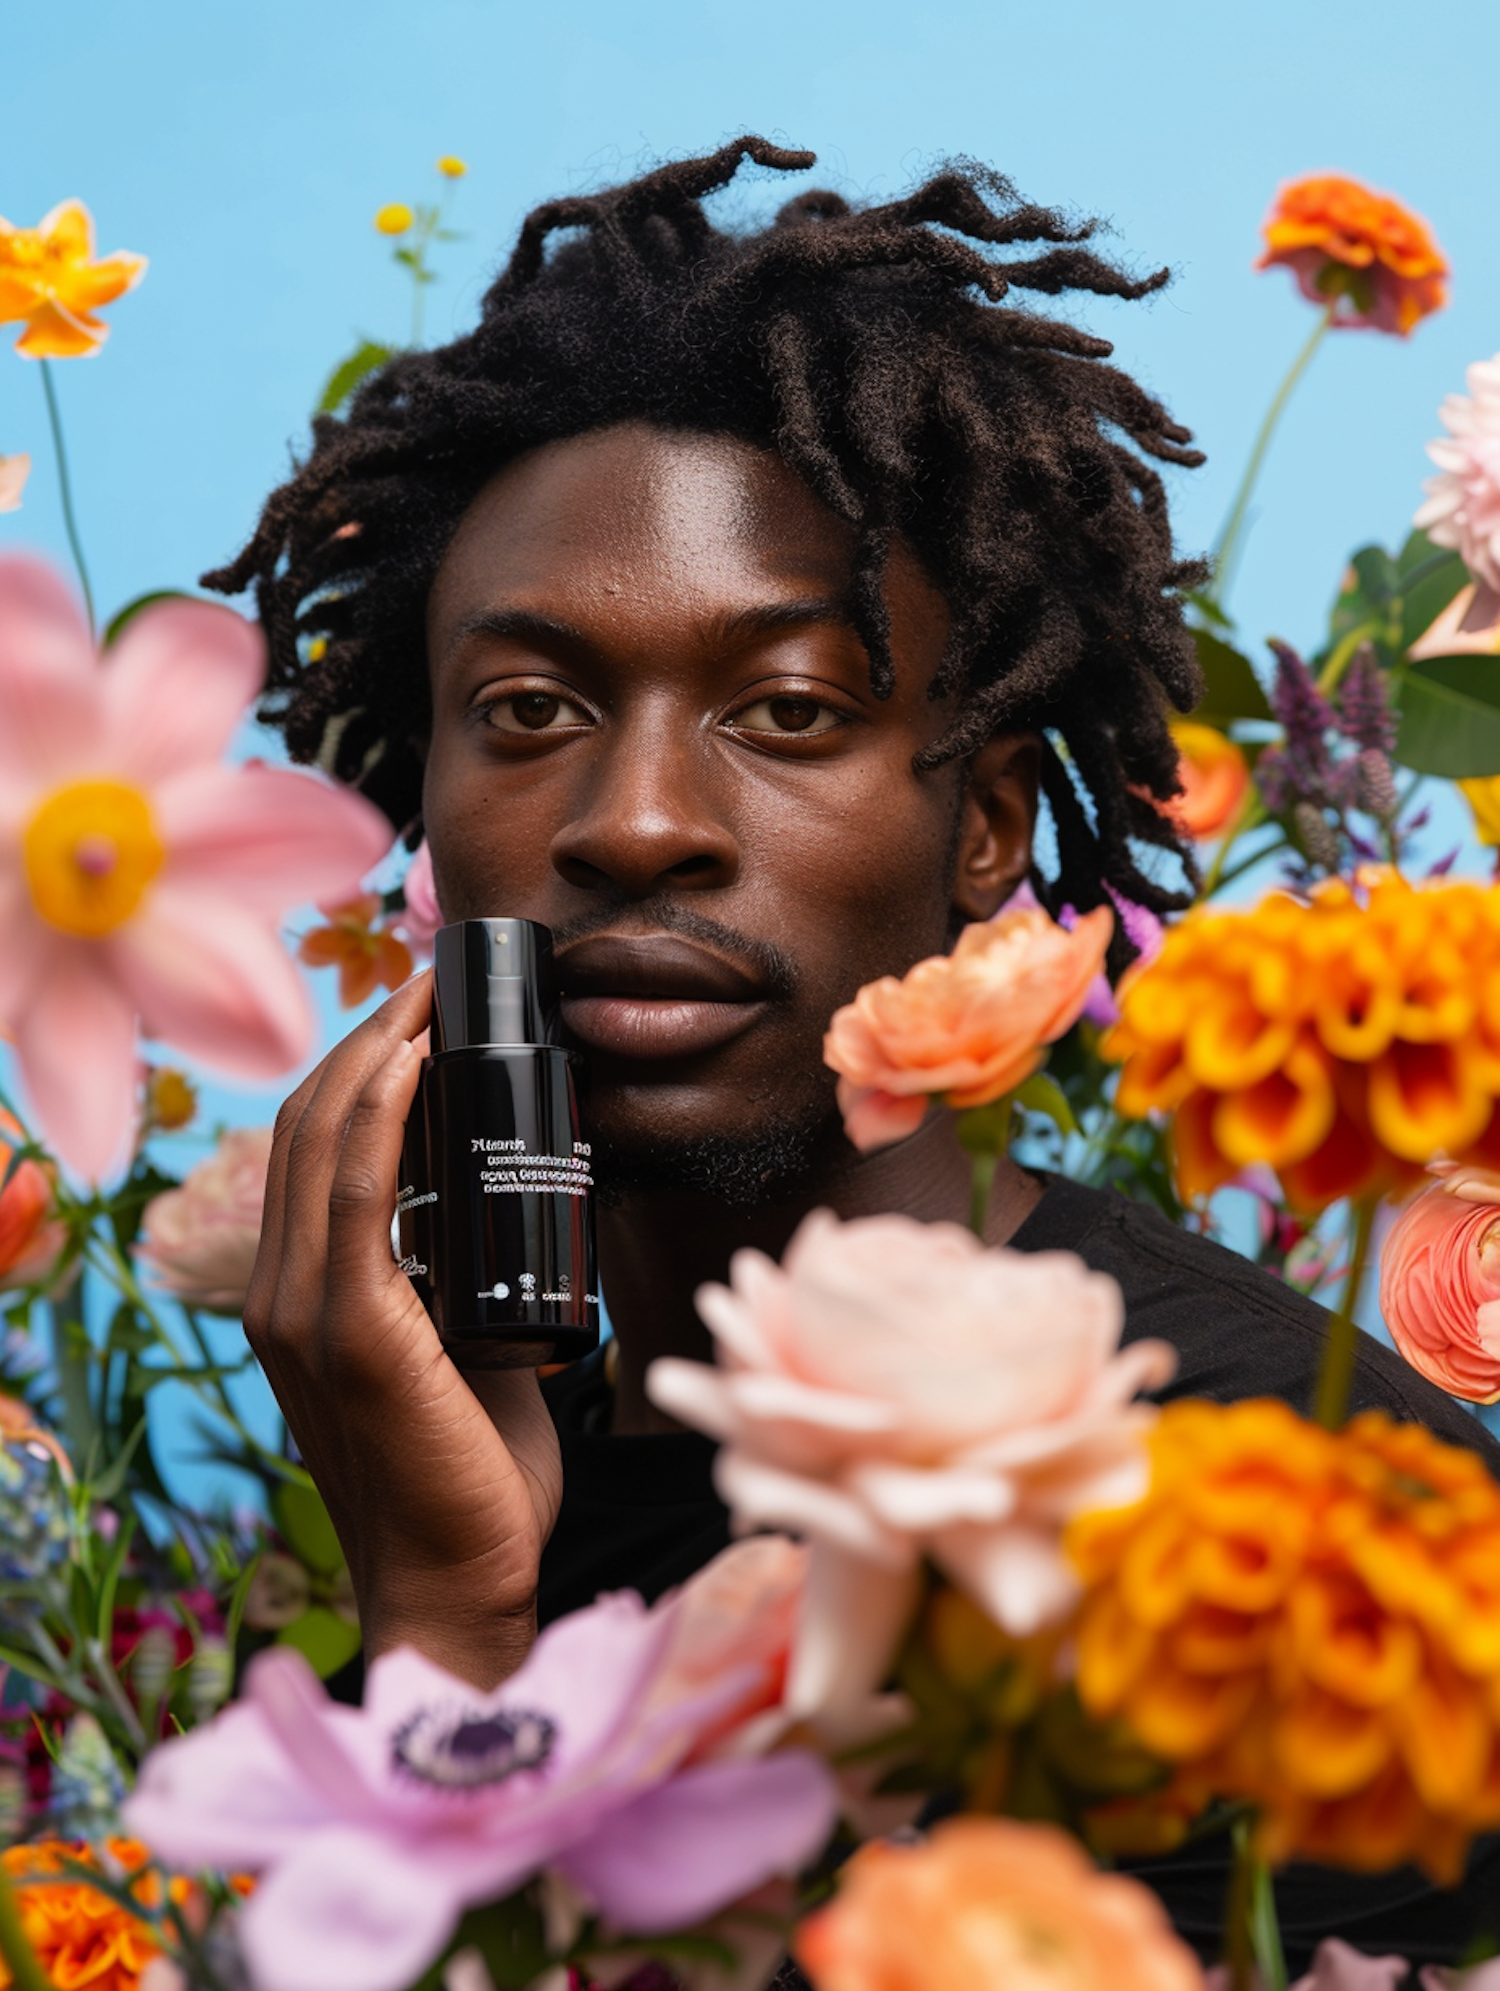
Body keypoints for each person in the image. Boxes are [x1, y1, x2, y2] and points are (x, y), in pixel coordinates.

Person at [220, 140, 1500, 1969]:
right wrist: (439, 1594)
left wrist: (444, 1638)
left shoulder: (1284, 1514)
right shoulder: (461, 1469)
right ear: (424, 802)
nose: (638, 820)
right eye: (527, 710)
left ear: (984, 827)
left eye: (790, 709)